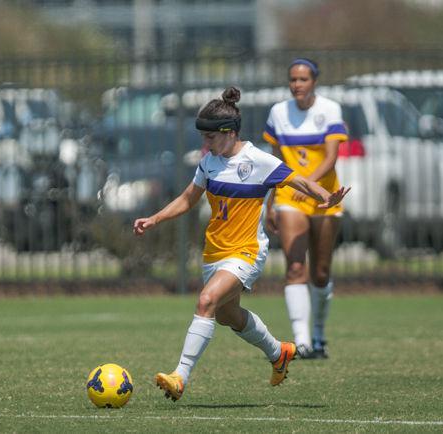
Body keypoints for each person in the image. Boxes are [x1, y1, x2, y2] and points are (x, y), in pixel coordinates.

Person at [133, 87, 349, 401]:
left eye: (209, 138)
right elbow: (187, 199)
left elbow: (298, 180)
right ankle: (279, 353)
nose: (204, 145)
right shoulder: (208, 164)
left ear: (230, 133)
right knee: (225, 315)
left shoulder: (258, 160)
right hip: (214, 253)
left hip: (246, 252)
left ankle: (179, 376)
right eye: (202, 138)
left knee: (206, 301)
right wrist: (154, 219)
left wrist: (326, 198)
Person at [263, 58, 349, 359]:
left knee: (321, 273)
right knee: (296, 266)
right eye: (293, 79)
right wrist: (271, 202)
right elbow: (275, 162)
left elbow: (330, 158)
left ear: (314, 81)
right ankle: (301, 341)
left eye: (303, 79)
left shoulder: (330, 109)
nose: (297, 84)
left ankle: (319, 335)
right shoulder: (278, 112)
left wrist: (307, 185)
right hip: (289, 199)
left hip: (326, 197)